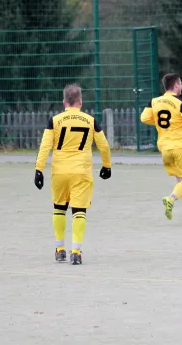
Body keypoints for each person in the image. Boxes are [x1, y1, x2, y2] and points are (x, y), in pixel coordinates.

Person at [34, 84, 112, 265]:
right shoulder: (90, 120)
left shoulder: (54, 120)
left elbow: (45, 146)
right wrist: (106, 166)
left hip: (59, 171)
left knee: (59, 208)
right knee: (79, 211)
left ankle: (60, 249)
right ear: (80, 101)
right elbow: (104, 146)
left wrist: (39, 170)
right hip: (81, 172)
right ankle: (76, 251)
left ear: (64, 102)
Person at [140, 73, 182, 224]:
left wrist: (160, 122)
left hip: (164, 148)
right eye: (181, 83)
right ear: (176, 85)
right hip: (181, 147)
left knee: (181, 183)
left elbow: (144, 118)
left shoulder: (154, 101)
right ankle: (170, 199)